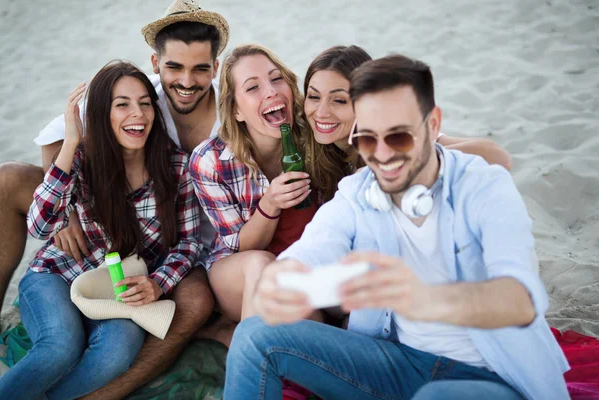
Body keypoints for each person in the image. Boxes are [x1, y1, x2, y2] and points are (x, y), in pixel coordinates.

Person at [224, 54, 569, 400]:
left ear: (433, 125)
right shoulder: (358, 190)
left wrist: (426, 300)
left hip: (489, 373)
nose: (384, 155)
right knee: (255, 334)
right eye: (369, 139)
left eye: (399, 136)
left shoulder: (483, 186)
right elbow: (310, 253)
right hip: (394, 362)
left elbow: (521, 301)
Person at [0, 1, 229, 399]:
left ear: (216, 67)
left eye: (143, 105)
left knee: (117, 349)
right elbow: (39, 222)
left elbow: (189, 242)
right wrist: (71, 157)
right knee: (58, 348)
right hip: (60, 270)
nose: (137, 112)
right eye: (122, 106)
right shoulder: (92, 151)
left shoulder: (178, 163)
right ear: (157, 63)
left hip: (117, 282)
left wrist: (158, 282)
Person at [190, 44, 317, 323]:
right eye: (252, 87)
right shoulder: (211, 161)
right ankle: (247, 355)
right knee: (262, 265)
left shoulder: (314, 138)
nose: (271, 91)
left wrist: (436, 142)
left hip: (301, 267)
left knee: (313, 316)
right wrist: (270, 203)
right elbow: (241, 246)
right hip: (238, 271)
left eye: (276, 79)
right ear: (236, 111)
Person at [302, 45, 511, 203]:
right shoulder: (310, 148)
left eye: (339, 100)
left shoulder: (395, 136)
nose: (321, 112)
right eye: (313, 96)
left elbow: (496, 156)